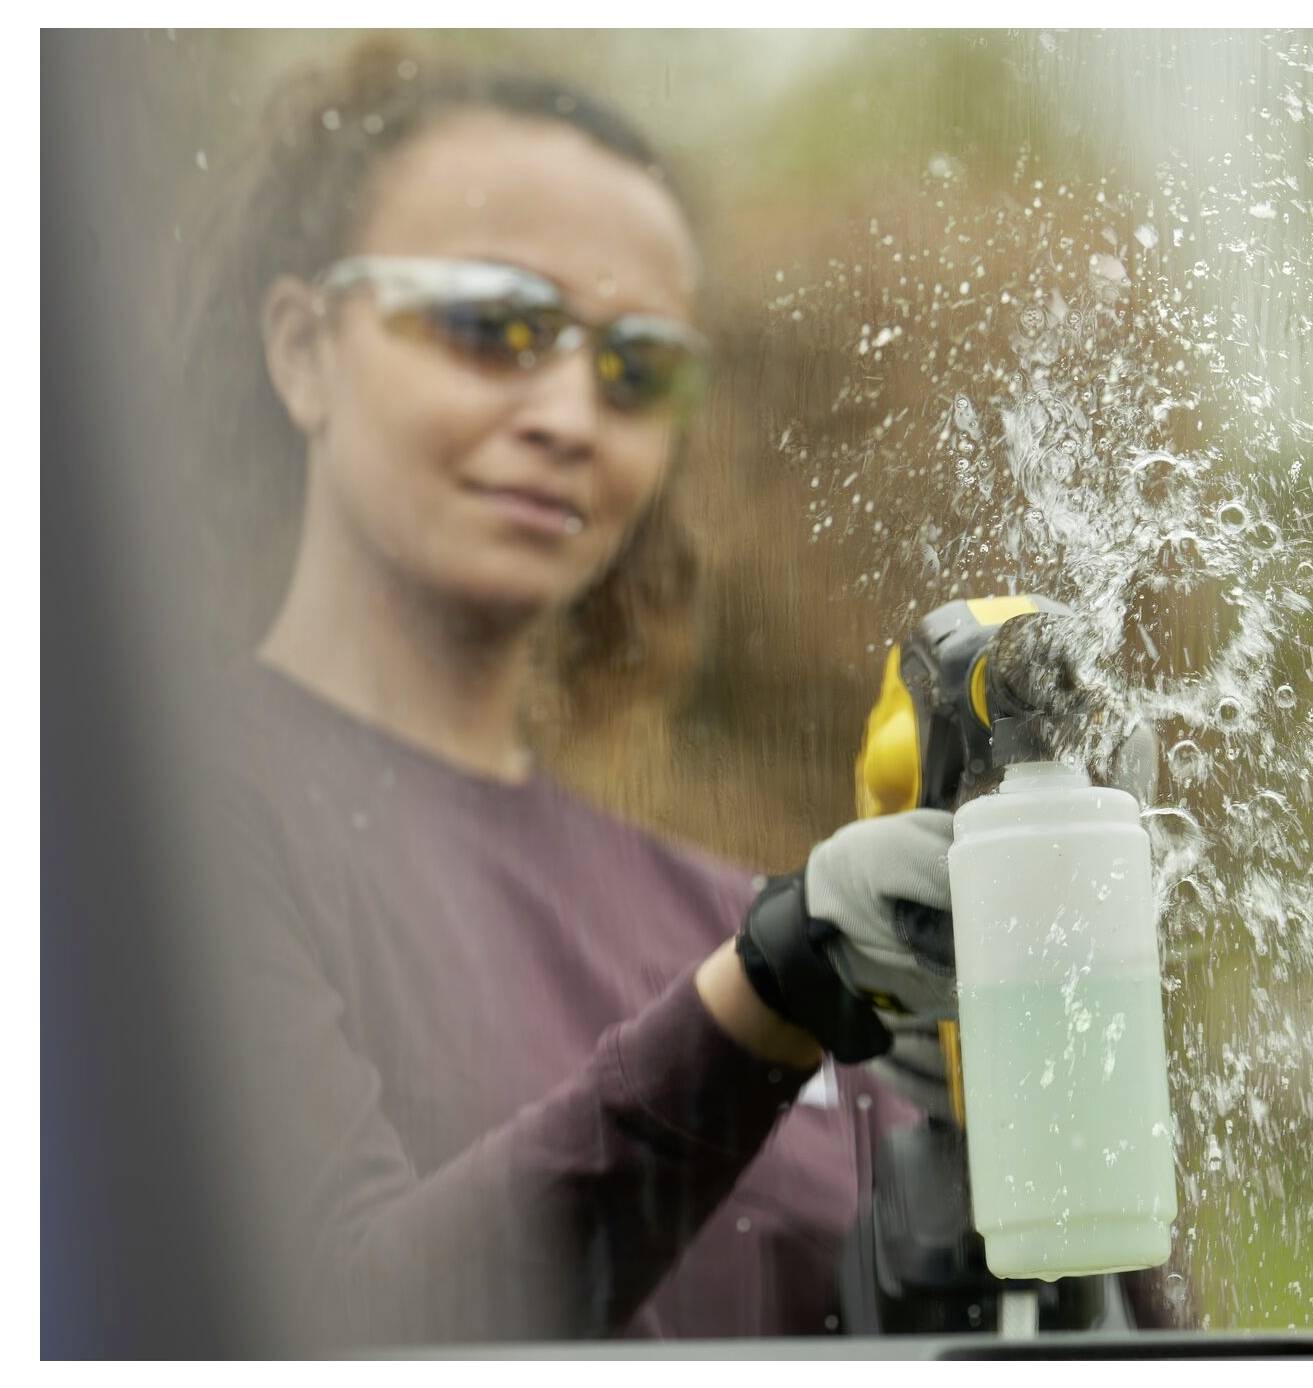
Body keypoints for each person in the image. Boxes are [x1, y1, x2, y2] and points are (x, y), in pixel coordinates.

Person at [169, 35, 973, 1347]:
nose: (571, 413)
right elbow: (332, 1332)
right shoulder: (145, 847)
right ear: (304, 349)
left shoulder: (738, 914)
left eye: (639, 365)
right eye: (493, 324)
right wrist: (764, 1004)